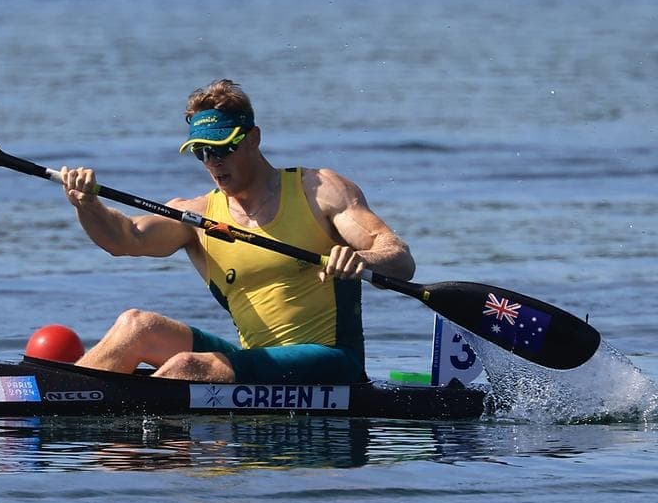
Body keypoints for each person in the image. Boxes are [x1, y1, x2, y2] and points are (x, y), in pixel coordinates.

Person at [58, 79, 414, 385]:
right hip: (257, 363)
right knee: (136, 325)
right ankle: (61, 397)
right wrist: (87, 205)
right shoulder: (196, 215)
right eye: (202, 153)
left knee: (187, 366)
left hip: (334, 363)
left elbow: (399, 257)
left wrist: (361, 258)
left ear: (254, 138)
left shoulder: (318, 191)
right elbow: (125, 240)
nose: (214, 163)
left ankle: (108, 418)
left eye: (224, 148)